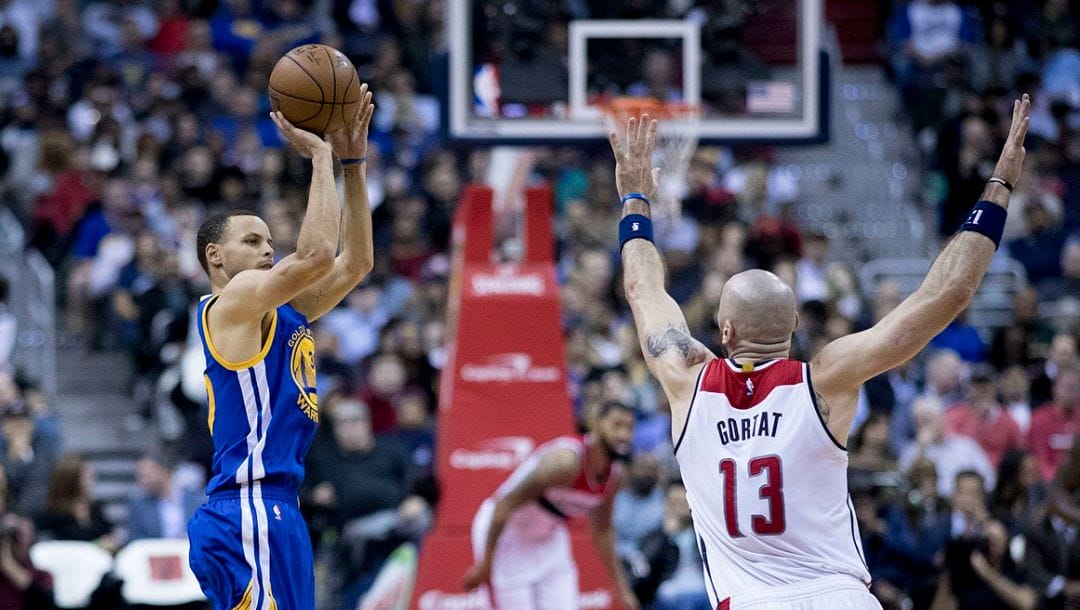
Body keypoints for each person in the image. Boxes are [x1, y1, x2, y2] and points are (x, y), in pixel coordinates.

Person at [611, 94, 1030, 609]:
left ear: (723, 331)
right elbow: (948, 294)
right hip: (838, 597)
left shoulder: (685, 380)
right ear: (792, 326)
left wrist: (635, 201)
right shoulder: (826, 378)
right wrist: (1000, 186)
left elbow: (642, 289)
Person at [185, 88, 376, 610]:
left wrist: (354, 166)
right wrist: (320, 156)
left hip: (273, 505)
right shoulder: (232, 301)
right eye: (252, 241)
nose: (268, 249)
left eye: (270, 241)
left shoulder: (280, 311)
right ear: (215, 255)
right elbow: (316, 254)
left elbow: (355, 263)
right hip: (245, 505)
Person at [462, 401, 641, 610]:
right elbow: (503, 506)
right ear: (596, 424)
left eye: (629, 428)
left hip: (549, 540)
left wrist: (623, 590)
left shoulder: (614, 477)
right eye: (616, 425)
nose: (624, 435)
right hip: (506, 536)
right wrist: (486, 564)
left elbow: (602, 532)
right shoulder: (565, 462)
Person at [126, 451, 203, 541]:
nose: (142, 481)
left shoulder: (198, 499)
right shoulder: (138, 505)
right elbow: (134, 539)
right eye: (140, 477)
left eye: (146, 476)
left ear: (164, 471)